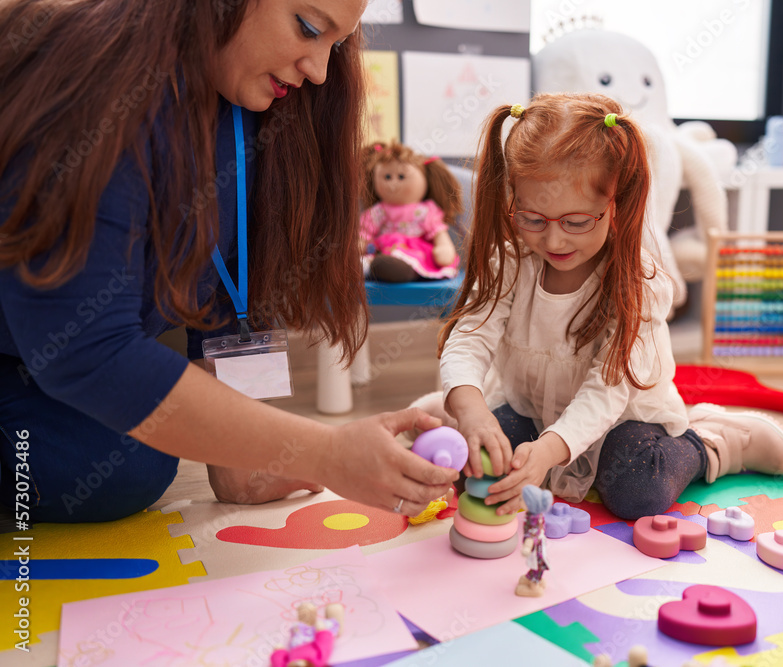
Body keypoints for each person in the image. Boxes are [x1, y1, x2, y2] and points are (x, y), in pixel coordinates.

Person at [0, 0, 456, 523]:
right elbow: (87, 350)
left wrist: (242, 460)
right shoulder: (94, 83)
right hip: (33, 343)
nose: (320, 70)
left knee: (124, 467)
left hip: (41, 361)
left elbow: (234, 283)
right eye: (307, 28)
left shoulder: (244, 104)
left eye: (335, 45)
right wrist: (325, 452)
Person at [413, 93, 783, 521]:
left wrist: (548, 452)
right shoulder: (509, 261)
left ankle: (715, 442)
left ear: (617, 204)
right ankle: (458, 406)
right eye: (533, 219)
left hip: (619, 418)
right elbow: (470, 336)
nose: (554, 241)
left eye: (577, 222)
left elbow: (607, 391)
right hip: (532, 406)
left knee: (639, 491)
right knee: (477, 475)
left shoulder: (638, 281)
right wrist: (472, 410)